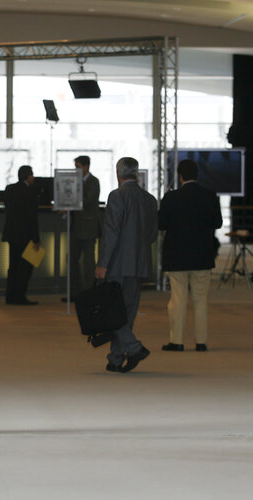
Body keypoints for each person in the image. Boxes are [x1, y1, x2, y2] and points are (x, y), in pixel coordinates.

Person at [95, 157, 157, 373]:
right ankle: (116, 357)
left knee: (112, 312)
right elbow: (152, 235)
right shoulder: (150, 199)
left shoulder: (117, 196)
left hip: (117, 264)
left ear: (118, 173)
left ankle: (134, 347)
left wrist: (103, 263)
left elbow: (111, 233)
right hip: (139, 264)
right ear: (137, 173)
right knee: (127, 313)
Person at [159, 159, 223, 352]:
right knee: (201, 299)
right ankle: (201, 342)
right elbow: (218, 223)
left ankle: (177, 341)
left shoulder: (171, 198)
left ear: (180, 176)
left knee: (178, 299)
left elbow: (161, 225)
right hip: (202, 256)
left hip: (176, 256)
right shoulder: (210, 196)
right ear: (197, 175)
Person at [2, 165, 40, 305]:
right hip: (26, 236)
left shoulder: (9, 189)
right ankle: (20, 296)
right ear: (27, 176)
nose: (33, 177)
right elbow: (32, 218)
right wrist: (36, 239)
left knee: (13, 266)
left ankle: (10, 296)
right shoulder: (30, 192)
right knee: (25, 268)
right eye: (32, 175)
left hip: (12, 234)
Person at [68, 155, 101, 301]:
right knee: (71, 260)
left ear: (86, 167)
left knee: (88, 262)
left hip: (88, 227)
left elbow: (87, 200)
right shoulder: (75, 181)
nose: (76, 170)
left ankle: (89, 292)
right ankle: (75, 292)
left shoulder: (94, 182)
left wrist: (75, 188)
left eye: (78, 167)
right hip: (75, 227)